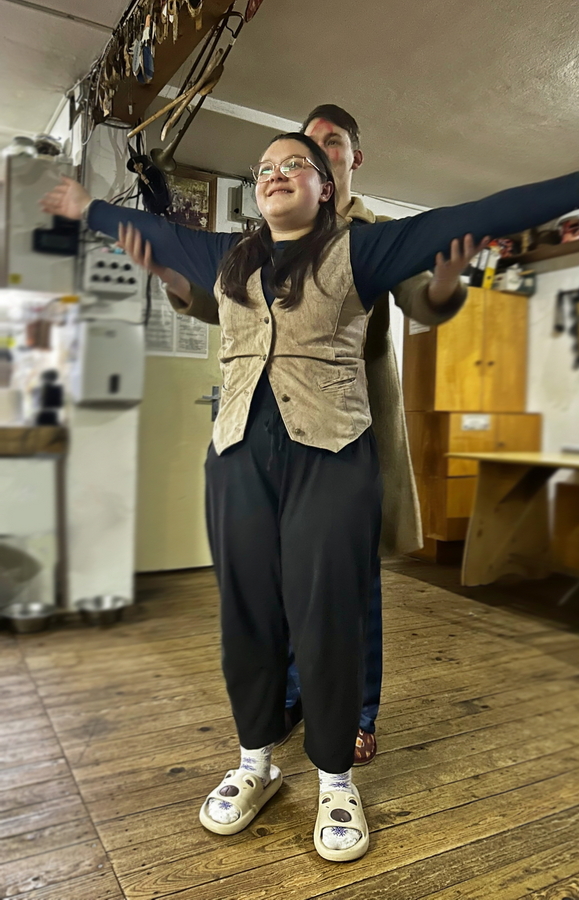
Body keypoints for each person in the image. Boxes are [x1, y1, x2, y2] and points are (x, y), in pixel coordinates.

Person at [42, 137, 579, 862]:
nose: (275, 175)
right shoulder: (228, 255)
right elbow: (151, 232)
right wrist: (86, 208)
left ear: (326, 188)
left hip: (333, 455)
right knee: (247, 612)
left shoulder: (362, 248)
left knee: (328, 615)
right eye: (264, 169)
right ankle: (255, 761)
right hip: (236, 457)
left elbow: (471, 215)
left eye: (295, 165)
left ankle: (335, 777)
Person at [164, 104, 464, 766]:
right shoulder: (266, 237)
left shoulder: (374, 235)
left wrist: (446, 283)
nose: (316, 150)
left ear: (352, 160)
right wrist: (175, 281)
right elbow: (226, 307)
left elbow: (423, 299)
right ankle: (293, 700)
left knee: (348, 582)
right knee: (279, 575)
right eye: (307, 143)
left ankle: (356, 712)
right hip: (268, 428)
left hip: (350, 420)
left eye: (330, 143)